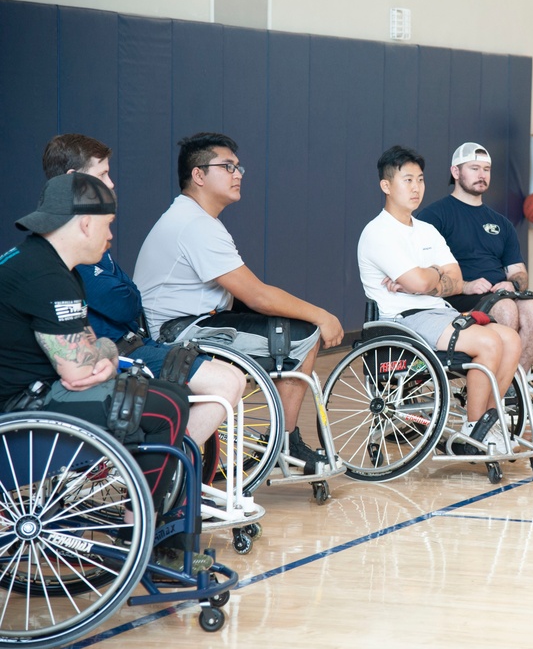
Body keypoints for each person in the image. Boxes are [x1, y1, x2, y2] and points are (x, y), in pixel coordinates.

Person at [0, 173, 206, 570]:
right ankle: (137, 539)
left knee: (159, 394)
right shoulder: (46, 276)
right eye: (109, 224)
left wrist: (102, 354)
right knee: (167, 407)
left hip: (35, 387)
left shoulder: (48, 265)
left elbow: (94, 348)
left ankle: (144, 526)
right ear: (85, 222)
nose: (111, 236)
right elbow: (80, 372)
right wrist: (101, 356)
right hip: (19, 406)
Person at [134, 132, 345, 472]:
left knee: (291, 325)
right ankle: (283, 442)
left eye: (238, 167)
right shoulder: (194, 224)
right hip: (177, 335)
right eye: (227, 166)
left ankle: (281, 440)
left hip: (192, 321)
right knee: (306, 334)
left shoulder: (194, 218)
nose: (238, 174)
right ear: (199, 175)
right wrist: (323, 315)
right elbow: (257, 295)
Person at [42, 133, 246, 446]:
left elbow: (130, 296)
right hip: (117, 353)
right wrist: (126, 294)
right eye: (103, 174)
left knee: (231, 377)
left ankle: (172, 473)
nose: (110, 184)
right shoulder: (68, 240)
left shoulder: (89, 231)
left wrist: (126, 292)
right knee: (224, 383)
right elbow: (123, 303)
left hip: (131, 343)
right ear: (75, 179)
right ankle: (168, 475)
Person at [358, 145, 521, 453]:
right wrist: (434, 275)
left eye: (420, 180)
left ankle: (487, 422)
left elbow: (456, 280)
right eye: (407, 180)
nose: (416, 187)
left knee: (510, 338)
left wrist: (425, 277)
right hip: (402, 321)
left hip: (439, 312)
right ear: (386, 186)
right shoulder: (377, 232)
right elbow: (423, 282)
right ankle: (474, 431)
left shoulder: (427, 230)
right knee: (488, 343)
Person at [418, 142, 533, 372]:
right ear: (456, 172)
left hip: (500, 294)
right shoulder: (434, 216)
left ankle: (516, 385)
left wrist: (513, 282)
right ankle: (492, 389)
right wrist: (465, 285)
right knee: (506, 308)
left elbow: (518, 271)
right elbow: (424, 272)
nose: (482, 175)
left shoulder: (502, 223)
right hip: (457, 298)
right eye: (474, 168)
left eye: (486, 169)